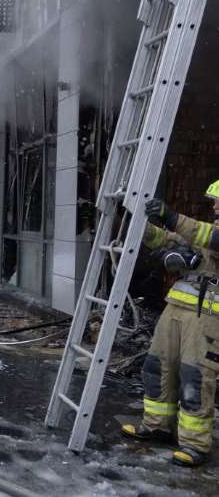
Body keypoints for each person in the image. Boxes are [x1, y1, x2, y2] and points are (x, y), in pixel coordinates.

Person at [121, 183, 219, 468]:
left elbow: (206, 236)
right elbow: (167, 239)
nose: (213, 206)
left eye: (217, 201)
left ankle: (195, 444)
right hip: (177, 308)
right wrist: (138, 224)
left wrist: (172, 216)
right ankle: (157, 426)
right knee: (157, 366)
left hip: (209, 318)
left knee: (195, 377)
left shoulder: (209, 232)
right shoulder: (204, 229)